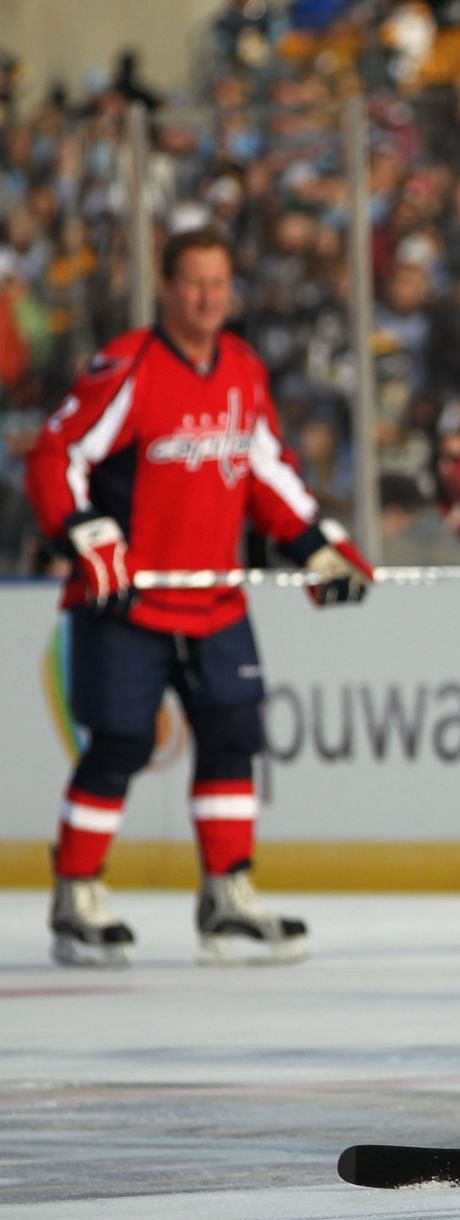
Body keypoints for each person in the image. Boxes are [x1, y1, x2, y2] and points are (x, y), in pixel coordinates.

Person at [24, 225, 374, 967]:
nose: (208, 297)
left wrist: (318, 548)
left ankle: (227, 896)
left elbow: (268, 473)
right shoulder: (129, 367)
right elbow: (58, 455)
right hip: (129, 599)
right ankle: (77, 893)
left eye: (220, 283)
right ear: (167, 285)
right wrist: (87, 535)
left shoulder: (244, 370)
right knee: (120, 738)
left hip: (213, 597)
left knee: (232, 734)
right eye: (194, 283)